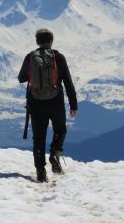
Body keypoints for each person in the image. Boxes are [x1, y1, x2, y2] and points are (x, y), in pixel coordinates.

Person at [18, 28, 78, 182]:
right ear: (51, 41)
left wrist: (34, 74)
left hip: (36, 102)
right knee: (60, 129)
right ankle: (54, 155)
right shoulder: (58, 57)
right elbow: (68, 82)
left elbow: (21, 78)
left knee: (39, 137)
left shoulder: (30, 57)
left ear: (37, 41)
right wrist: (73, 105)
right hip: (55, 101)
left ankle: (40, 171)